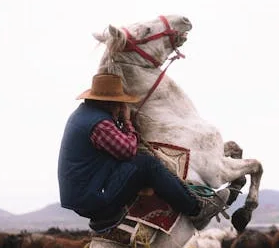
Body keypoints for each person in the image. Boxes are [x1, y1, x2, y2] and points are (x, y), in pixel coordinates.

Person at [57, 73, 229, 231]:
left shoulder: (82, 115)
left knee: (138, 165)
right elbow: (128, 150)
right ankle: (196, 210)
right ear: (109, 103)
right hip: (95, 199)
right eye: (118, 102)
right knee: (147, 164)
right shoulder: (100, 124)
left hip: (86, 194)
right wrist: (126, 122)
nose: (121, 106)